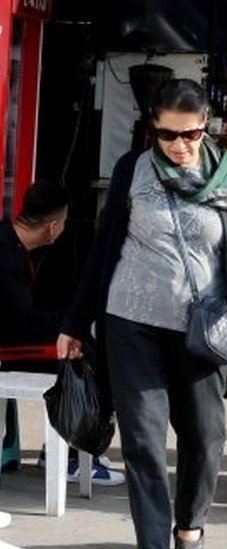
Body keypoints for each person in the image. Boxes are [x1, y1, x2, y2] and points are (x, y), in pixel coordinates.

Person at [57, 79, 227, 549]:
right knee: (143, 442)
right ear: (152, 129)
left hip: (203, 328)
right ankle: (153, 543)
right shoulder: (132, 170)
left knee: (206, 436)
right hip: (130, 324)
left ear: (206, 126)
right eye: (168, 135)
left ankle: (189, 528)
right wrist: (74, 324)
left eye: (190, 134)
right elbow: (103, 248)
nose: (179, 145)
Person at [0, 181, 124, 486]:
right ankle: (71, 455)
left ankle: (69, 449)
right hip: (6, 345)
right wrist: (71, 323)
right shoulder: (7, 256)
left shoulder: (12, 243)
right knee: (84, 354)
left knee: (85, 342)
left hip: (12, 334)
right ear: (52, 227)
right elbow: (23, 322)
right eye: (64, 222)